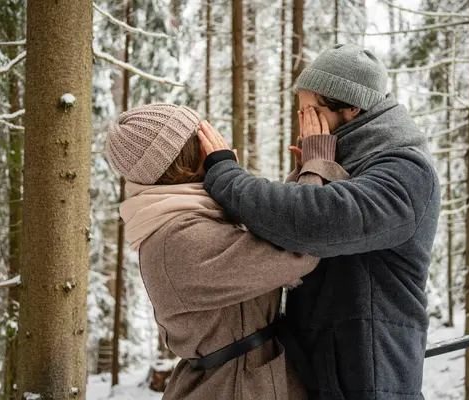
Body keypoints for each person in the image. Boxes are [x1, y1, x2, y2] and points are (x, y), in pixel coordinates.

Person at [197, 44, 441, 400]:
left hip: (371, 372)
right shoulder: (350, 158)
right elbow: (283, 231)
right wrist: (312, 167)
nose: (303, 121)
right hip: (324, 365)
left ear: (352, 107)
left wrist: (226, 175)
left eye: (312, 111)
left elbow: (313, 221)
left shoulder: (406, 171)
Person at [105, 103, 348, 399]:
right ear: (191, 156)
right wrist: (316, 165)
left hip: (246, 380)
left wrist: (302, 176)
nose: (218, 141)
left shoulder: (188, 216)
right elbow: (299, 248)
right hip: (232, 388)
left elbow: (267, 236)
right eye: (204, 135)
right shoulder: (178, 238)